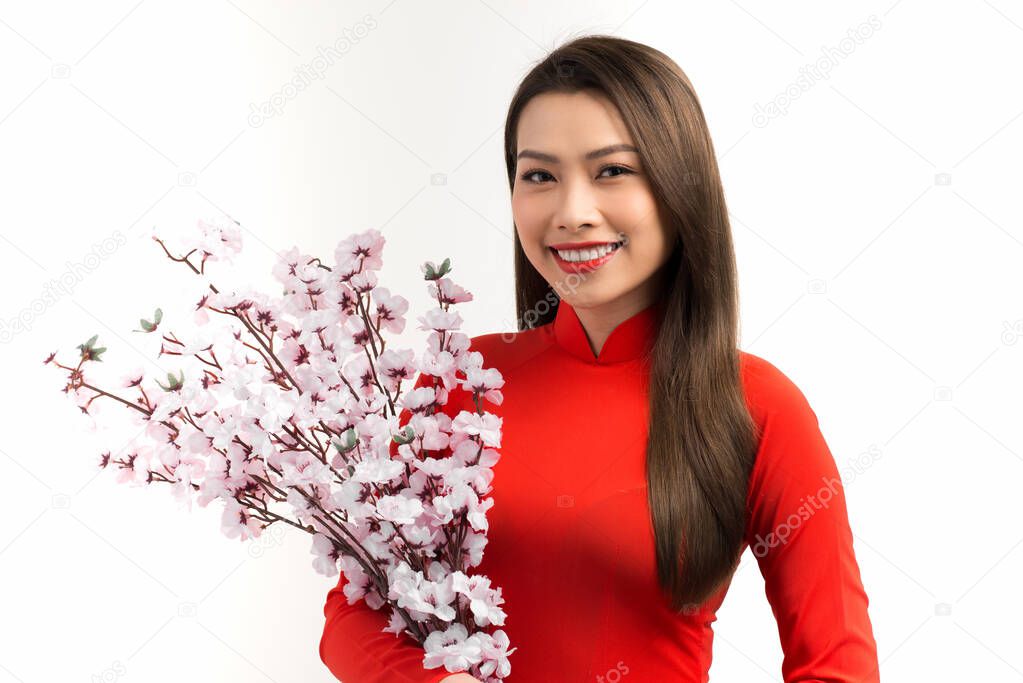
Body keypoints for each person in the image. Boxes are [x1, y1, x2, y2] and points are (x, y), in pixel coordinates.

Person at [319, 34, 880, 682]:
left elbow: (835, 664)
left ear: (679, 185)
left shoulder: (757, 407)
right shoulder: (460, 382)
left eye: (611, 170)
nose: (571, 211)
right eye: (539, 176)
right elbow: (352, 612)